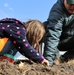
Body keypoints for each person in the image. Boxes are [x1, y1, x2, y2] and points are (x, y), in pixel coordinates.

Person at [43, 0, 74, 66]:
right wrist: (48, 62)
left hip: (70, 40)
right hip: (56, 42)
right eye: (71, 4)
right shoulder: (57, 11)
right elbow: (53, 35)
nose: (73, 7)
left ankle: (64, 59)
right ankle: (54, 58)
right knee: (42, 27)